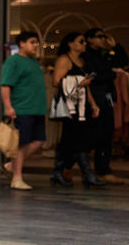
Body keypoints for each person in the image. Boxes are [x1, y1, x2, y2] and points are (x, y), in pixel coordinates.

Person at [50, 31, 104, 188]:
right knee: (77, 139)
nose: (84, 44)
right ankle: (86, 174)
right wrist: (78, 83)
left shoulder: (81, 61)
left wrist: (93, 104)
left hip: (83, 105)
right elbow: (56, 82)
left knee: (73, 140)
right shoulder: (64, 60)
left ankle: (59, 170)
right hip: (70, 107)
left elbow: (86, 87)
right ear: (70, 44)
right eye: (81, 41)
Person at [0, 32, 48, 191]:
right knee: (21, 144)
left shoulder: (34, 62)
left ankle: (10, 165)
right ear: (22, 43)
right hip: (22, 108)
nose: (35, 45)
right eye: (32, 42)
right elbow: (5, 85)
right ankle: (16, 178)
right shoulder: (13, 62)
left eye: (36, 42)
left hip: (36, 109)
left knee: (39, 140)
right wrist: (8, 107)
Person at [84, 27, 128, 184]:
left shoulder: (105, 54)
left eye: (104, 37)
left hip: (107, 98)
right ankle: (69, 166)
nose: (102, 39)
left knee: (106, 134)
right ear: (89, 39)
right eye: (99, 37)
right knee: (91, 135)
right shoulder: (86, 55)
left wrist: (114, 45)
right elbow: (93, 75)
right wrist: (111, 74)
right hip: (93, 99)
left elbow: (122, 62)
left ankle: (103, 170)